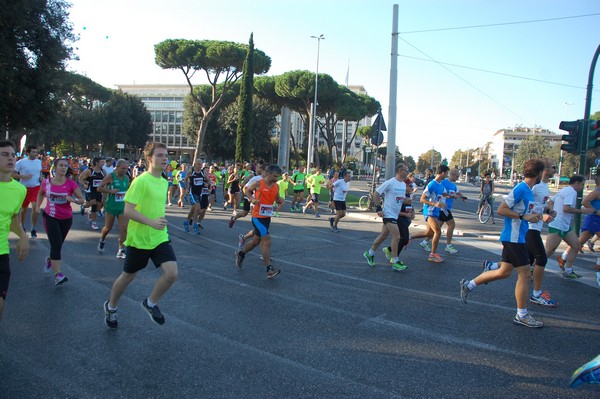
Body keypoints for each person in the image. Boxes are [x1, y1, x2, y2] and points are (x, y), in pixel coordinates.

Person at [460, 159, 546, 328]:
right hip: (513, 237)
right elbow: (501, 210)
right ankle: (522, 315)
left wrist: (538, 215)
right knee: (525, 275)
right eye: (543, 172)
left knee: (504, 272)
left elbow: (526, 212)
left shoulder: (529, 191)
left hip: (518, 237)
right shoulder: (521, 188)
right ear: (538, 173)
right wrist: (523, 217)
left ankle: (468, 285)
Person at [104, 142, 178, 329]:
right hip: (139, 239)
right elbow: (127, 210)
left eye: (166, 155)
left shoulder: (163, 181)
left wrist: (157, 224)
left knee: (171, 274)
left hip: (159, 237)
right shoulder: (141, 181)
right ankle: (111, 307)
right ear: (149, 158)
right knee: (128, 276)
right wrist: (151, 222)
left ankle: (150, 303)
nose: (165, 158)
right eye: (160, 155)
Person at [482, 160, 558, 307]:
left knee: (508, 269)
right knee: (537, 262)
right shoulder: (528, 188)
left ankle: (475, 280)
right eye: (552, 167)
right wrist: (532, 216)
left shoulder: (538, 187)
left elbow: (536, 206)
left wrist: (547, 212)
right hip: (527, 229)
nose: (555, 169)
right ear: (541, 172)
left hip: (524, 231)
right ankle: (533, 298)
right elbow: (506, 209)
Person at [35, 158, 85, 285]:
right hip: (50, 217)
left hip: (66, 218)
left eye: (65, 166)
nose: (63, 168)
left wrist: (72, 199)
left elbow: (81, 200)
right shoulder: (46, 182)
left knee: (57, 245)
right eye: (61, 165)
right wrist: (37, 206)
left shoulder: (71, 184)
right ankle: (58, 274)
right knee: (56, 245)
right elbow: (41, 194)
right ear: (55, 167)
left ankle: (49, 259)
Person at [234, 164, 284, 279]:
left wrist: (280, 200)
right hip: (257, 217)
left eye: (278, 177)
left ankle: (241, 254)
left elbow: (276, 198)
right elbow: (247, 190)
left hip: (267, 217)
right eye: (275, 176)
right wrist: (252, 199)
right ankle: (269, 269)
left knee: (256, 241)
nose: (277, 179)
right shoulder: (259, 183)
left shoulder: (276, 186)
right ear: (269, 173)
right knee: (266, 240)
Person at [0, 140, 29, 322]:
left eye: (12, 155)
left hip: (1, 253)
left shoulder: (20, 190)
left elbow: (12, 219)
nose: (11, 158)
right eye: (4, 154)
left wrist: (23, 236)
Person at [362, 163, 410, 271]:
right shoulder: (390, 182)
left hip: (395, 215)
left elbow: (400, 199)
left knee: (383, 235)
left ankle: (369, 253)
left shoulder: (402, 184)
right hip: (388, 214)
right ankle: (395, 261)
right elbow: (376, 193)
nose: (408, 173)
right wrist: (378, 208)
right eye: (406, 171)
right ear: (400, 171)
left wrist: (407, 200)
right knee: (397, 237)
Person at [546, 174, 593, 279]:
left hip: (565, 226)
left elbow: (550, 202)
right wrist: (582, 211)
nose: (582, 187)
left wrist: (552, 210)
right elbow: (566, 208)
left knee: (576, 245)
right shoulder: (572, 192)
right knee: (549, 251)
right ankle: (532, 267)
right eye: (582, 184)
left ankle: (568, 271)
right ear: (576, 183)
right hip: (558, 225)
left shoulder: (564, 190)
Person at [420, 168, 467, 254]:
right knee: (451, 224)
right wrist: (434, 203)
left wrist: (461, 197)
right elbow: (427, 196)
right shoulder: (442, 182)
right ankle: (446, 246)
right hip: (441, 208)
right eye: (457, 176)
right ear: (452, 175)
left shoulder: (453, 185)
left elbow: (456, 192)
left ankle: (425, 242)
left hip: (444, 207)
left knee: (433, 230)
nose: (457, 178)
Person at [412, 165, 450, 263]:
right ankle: (432, 255)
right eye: (447, 173)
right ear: (443, 173)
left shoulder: (441, 184)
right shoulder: (432, 184)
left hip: (436, 211)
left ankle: (409, 237)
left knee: (429, 233)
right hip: (429, 211)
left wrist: (452, 196)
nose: (447, 175)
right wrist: (434, 203)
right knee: (438, 232)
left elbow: (443, 194)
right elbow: (422, 199)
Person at [97, 159, 130, 259]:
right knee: (108, 228)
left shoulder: (126, 177)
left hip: (122, 207)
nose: (124, 170)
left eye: (126, 168)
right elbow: (99, 188)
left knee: (124, 228)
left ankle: (121, 249)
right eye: (122, 168)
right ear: (117, 167)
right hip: (111, 206)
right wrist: (110, 191)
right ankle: (102, 239)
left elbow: (128, 190)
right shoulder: (111, 176)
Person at [13, 145, 42, 238]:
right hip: (24, 188)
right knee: (23, 209)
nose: (35, 153)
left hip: (36, 187)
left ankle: (33, 228)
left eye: (36, 152)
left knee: (35, 208)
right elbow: (12, 174)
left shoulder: (39, 162)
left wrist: (41, 177)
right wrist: (23, 177)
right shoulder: (21, 162)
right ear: (28, 153)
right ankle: (22, 225)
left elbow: (39, 172)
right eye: (33, 152)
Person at [79, 157, 106, 230]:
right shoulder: (89, 171)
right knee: (94, 205)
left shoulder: (103, 171)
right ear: (97, 163)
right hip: (90, 190)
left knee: (98, 206)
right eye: (102, 162)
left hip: (99, 191)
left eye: (104, 162)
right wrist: (84, 184)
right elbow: (80, 178)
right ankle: (93, 222)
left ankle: (84, 207)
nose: (103, 164)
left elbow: (105, 181)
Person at [183, 159, 209, 234]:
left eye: (201, 164)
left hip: (200, 193)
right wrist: (186, 188)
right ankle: (195, 225)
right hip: (193, 193)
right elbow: (185, 180)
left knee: (193, 209)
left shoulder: (202, 172)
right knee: (197, 207)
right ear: (195, 164)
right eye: (199, 164)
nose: (200, 166)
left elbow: (208, 180)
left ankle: (186, 222)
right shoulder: (191, 172)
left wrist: (207, 184)